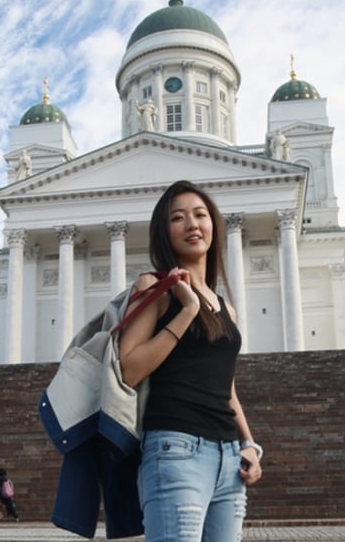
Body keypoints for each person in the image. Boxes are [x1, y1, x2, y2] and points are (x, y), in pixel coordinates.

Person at [118, 180, 262, 541]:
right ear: (164, 232)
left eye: (200, 215)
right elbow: (128, 368)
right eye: (178, 218)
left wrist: (250, 443)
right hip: (176, 450)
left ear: (213, 223)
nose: (192, 225)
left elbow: (225, 386)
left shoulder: (225, 305)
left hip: (229, 460)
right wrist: (188, 310)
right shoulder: (153, 286)